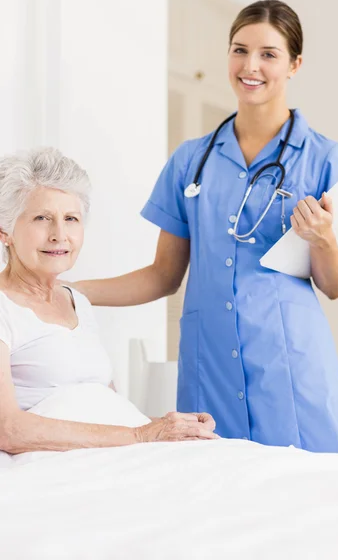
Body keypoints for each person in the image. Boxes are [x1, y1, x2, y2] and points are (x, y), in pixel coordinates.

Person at [74, 0, 338, 454]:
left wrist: (322, 239)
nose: (250, 66)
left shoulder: (325, 157)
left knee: (308, 505)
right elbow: (163, 276)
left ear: (295, 64)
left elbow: (337, 284)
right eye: (239, 50)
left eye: (268, 54)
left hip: (290, 365)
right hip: (210, 370)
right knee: (215, 506)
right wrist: (68, 291)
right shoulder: (191, 159)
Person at [0, 148, 218, 455]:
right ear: (4, 231)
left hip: (107, 458)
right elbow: (8, 431)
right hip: (49, 467)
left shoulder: (78, 303)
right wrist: (145, 434)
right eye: (42, 218)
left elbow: (111, 414)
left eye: (71, 219)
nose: (59, 235)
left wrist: (171, 425)